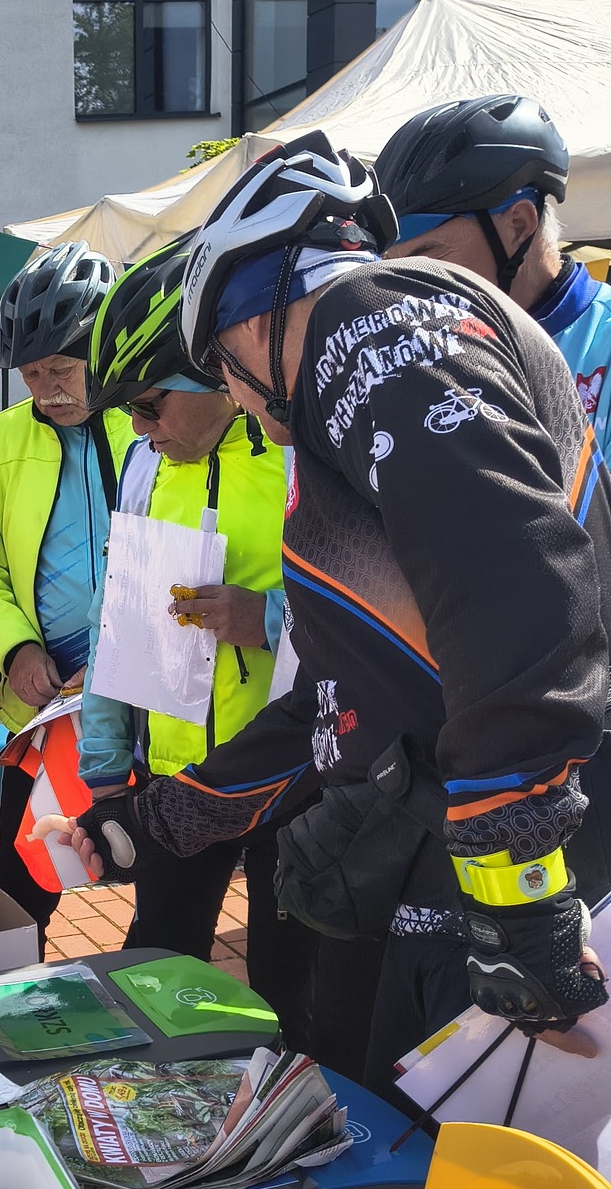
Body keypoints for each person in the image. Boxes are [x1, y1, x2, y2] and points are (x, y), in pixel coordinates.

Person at [72, 131, 611, 1085]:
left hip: (518, 849)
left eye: (221, 365)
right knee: (370, 1101)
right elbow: (341, 696)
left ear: (257, 313)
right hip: (451, 835)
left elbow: (520, 571)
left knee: (438, 1144)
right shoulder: (356, 373)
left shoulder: (369, 322)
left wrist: (521, 890)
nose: (234, 397)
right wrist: (166, 818)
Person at [79, 239, 316, 1043]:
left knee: (289, 986)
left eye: (149, 405)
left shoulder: (300, 457)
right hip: (182, 775)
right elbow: (118, 616)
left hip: (290, 781)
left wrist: (268, 618)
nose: (139, 429)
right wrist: (105, 766)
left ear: (216, 378)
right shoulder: (146, 465)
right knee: (154, 971)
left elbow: (372, 613)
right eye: (128, 412)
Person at [0, 242, 119, 941]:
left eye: (62, 369)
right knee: (19, 898)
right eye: (31, 373)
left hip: (153, 712)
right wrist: (14, 647)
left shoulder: (154, 425)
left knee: (169, 895)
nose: (47, 389)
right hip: (45, 711)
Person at [377, 93, 611, 447]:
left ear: (518, 225)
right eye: (396, 269)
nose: (410, 290)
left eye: (427, 259)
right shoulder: (423, 353)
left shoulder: (602, 343)